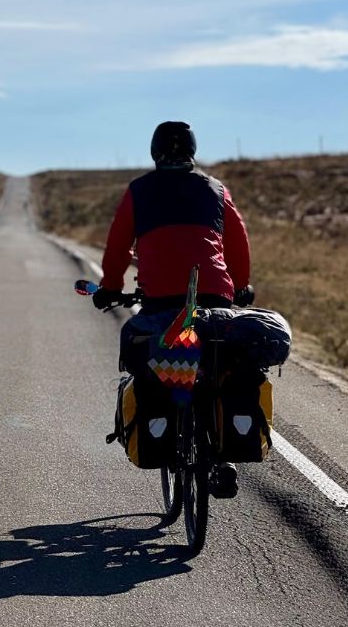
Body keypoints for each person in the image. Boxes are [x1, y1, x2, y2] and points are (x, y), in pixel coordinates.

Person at [92, 121, 253, 498]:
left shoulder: (139, 191)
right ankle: (221, 454)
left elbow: (117, 248)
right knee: (219, 367)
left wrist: (111, 288)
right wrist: (241, 286)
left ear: (154, 152)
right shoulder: (215, 189)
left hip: (161, 301)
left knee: (156, 366)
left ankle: (169, 437)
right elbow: (238, 241)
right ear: (192, 151)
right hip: (214, 297)